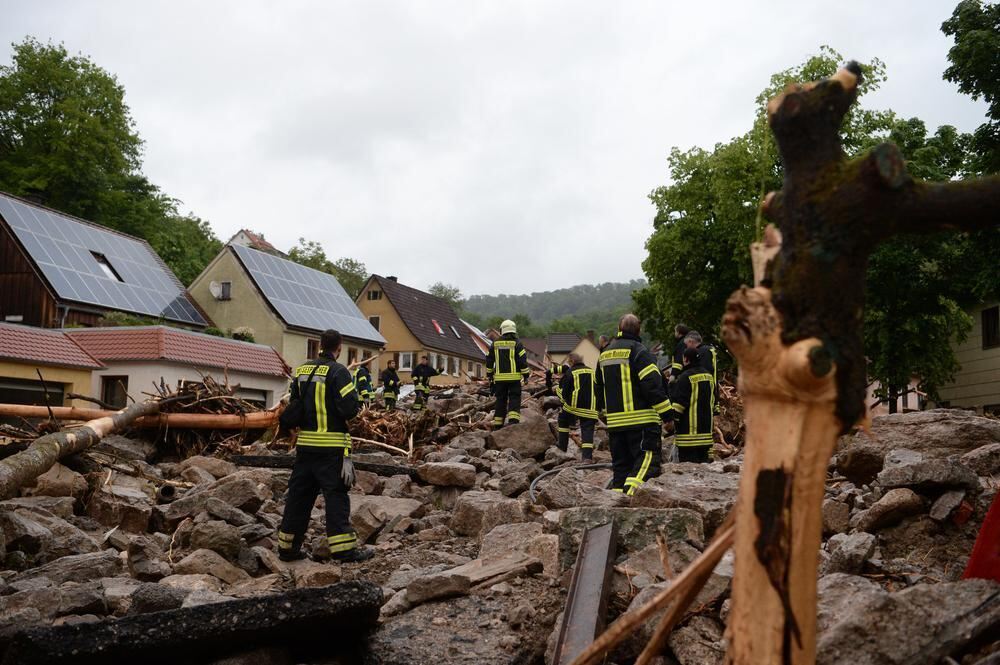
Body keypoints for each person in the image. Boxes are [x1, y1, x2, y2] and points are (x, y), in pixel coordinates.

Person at [277, 329, 373, 563]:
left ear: (321, 345)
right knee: (336, 497)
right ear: (339, 348)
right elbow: (349, 409)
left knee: (298, 498)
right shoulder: (339, 371)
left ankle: (287, 548)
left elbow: (294, 404)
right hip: (332, 448)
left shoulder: (302, 370)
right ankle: (344, 550)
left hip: (305, 448)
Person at [595, 314, 672, 495]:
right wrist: (667, 415)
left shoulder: (604, 355)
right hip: (642, 422)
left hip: (615, 424)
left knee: (621, 467)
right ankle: (630, 497)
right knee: (648, 461)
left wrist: (604, 412)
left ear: (619, 329)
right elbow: (652, 386)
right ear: (639, 331)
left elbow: (598, 387)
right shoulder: (640, 352)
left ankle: (616, 500)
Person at [546, 353, 598, 461]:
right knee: (587, 430)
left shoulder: (570, 372)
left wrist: (557, 391)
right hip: (591, 408)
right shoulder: (592, 371)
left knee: (562, 419)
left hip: (574, 407)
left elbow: (564, 393)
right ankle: (587, 458)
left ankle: (562, 444)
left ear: (572, 362)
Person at [667, 347, 715, 463]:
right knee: (703, 469)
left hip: (688, 437)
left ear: (686, 359)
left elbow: (679, 403)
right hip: (706, 435)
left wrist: (671, 420)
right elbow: (713, 400)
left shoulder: (685, 377)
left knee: (689, 470)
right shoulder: (709, 376)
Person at [486, 319, 530, 428]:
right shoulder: (517, 343)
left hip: (499, 380)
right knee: (514, 398)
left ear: (502, 330)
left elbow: (489, 360)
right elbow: (522, 361)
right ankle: (513, 421)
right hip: (514, 379)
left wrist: (490, 375)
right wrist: (526, 375)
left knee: (500, 400)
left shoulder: (495, 343)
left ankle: (498, 424)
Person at [684, 330, 719, 413]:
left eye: (686, 344)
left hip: (707, 393)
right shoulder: (707, 350)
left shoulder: (703, 352)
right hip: (711, 391)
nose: (687, 347)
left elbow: (704, 374)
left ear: (691, 342)